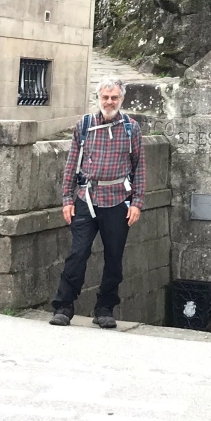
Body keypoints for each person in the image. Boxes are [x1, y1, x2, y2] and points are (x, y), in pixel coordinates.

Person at [49, 76, 144, 329]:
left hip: (118, 201)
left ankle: (104, 308)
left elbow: (139, 167)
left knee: (114, 257)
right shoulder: (85, 124)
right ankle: (64, 306)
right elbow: (72, 163)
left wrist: (137, 202)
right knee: (77, 253)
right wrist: (67, 199)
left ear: (121, 99)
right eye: (105, 97)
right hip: (86, 199)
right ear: (99, 98)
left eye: (114, 97)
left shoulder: (131, 128)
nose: (109, 102)